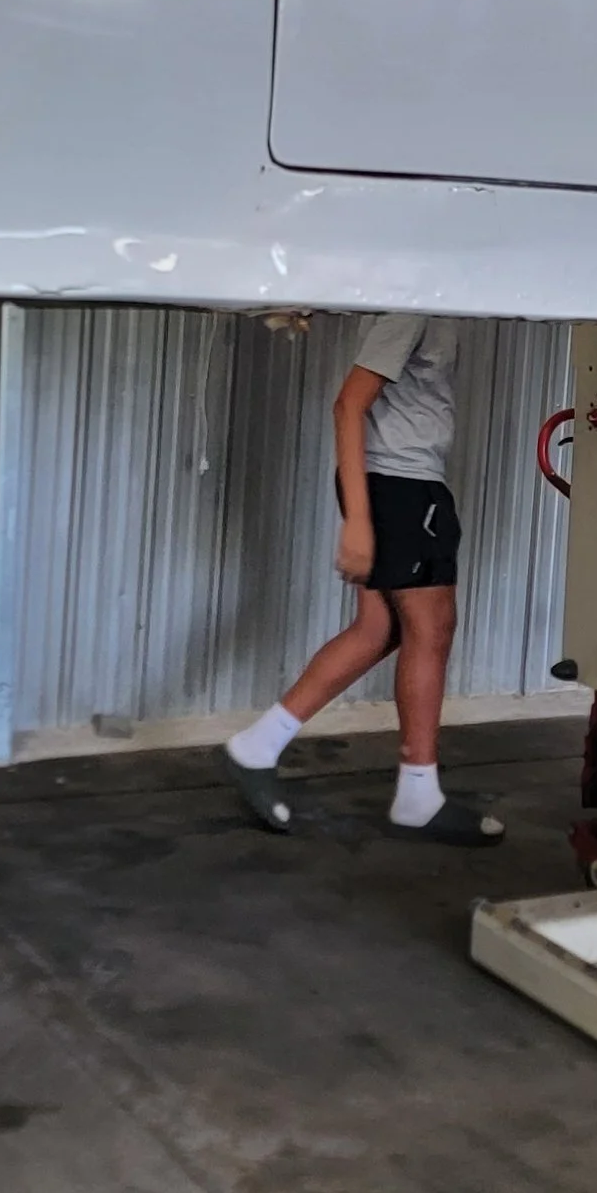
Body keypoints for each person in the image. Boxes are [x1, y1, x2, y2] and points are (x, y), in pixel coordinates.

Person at [221, 314, 504, 846]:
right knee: (432, 628)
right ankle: (417, 794)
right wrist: (358, 520)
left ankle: (257, 747)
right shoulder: (412, 303)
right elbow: (350, 403)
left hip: (401, 482)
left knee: (379, 629)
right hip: (401, 485)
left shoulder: (430, 294)